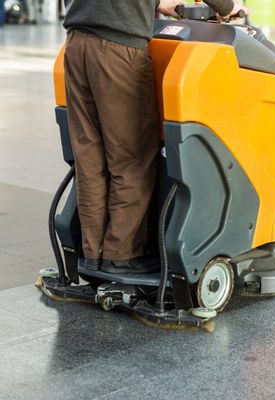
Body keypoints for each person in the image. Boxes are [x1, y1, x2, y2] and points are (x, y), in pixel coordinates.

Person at [63, 0, 248, 274]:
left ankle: (93, 253)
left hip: (76, 44)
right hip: (118, 48)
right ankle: (120, 255)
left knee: (89, 159)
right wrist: (227, 8)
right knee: (131, 159)